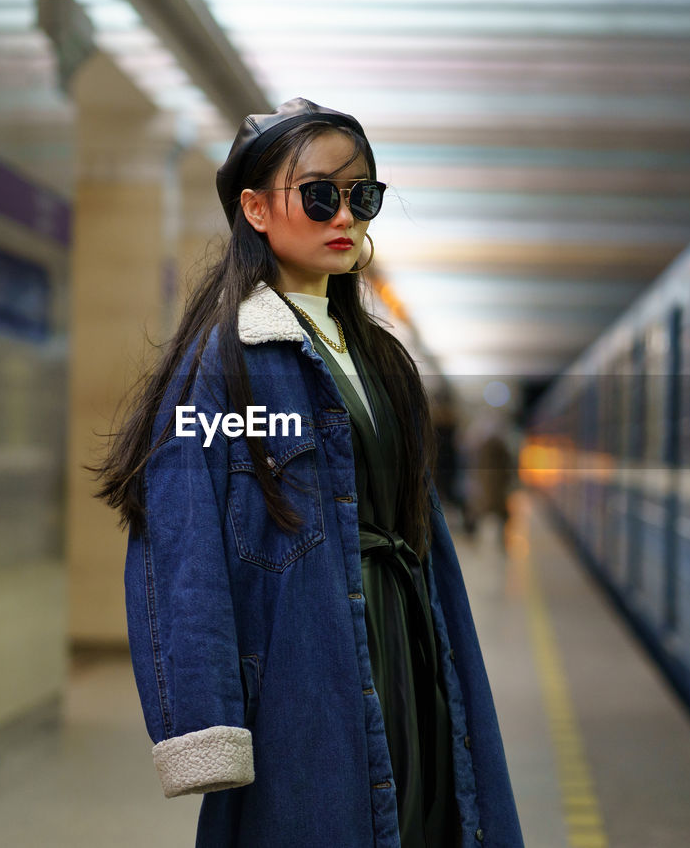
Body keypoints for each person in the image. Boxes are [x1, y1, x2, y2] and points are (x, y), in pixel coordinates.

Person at [92, 98, 522, 848]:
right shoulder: (225, 365)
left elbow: (428, 540)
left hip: (414, 653)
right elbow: (180, 541)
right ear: (255, 209)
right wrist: (204, 719)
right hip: (305, 672)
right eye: (320, 194)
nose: (345, 215)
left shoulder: (385, 362)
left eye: (364, 197)